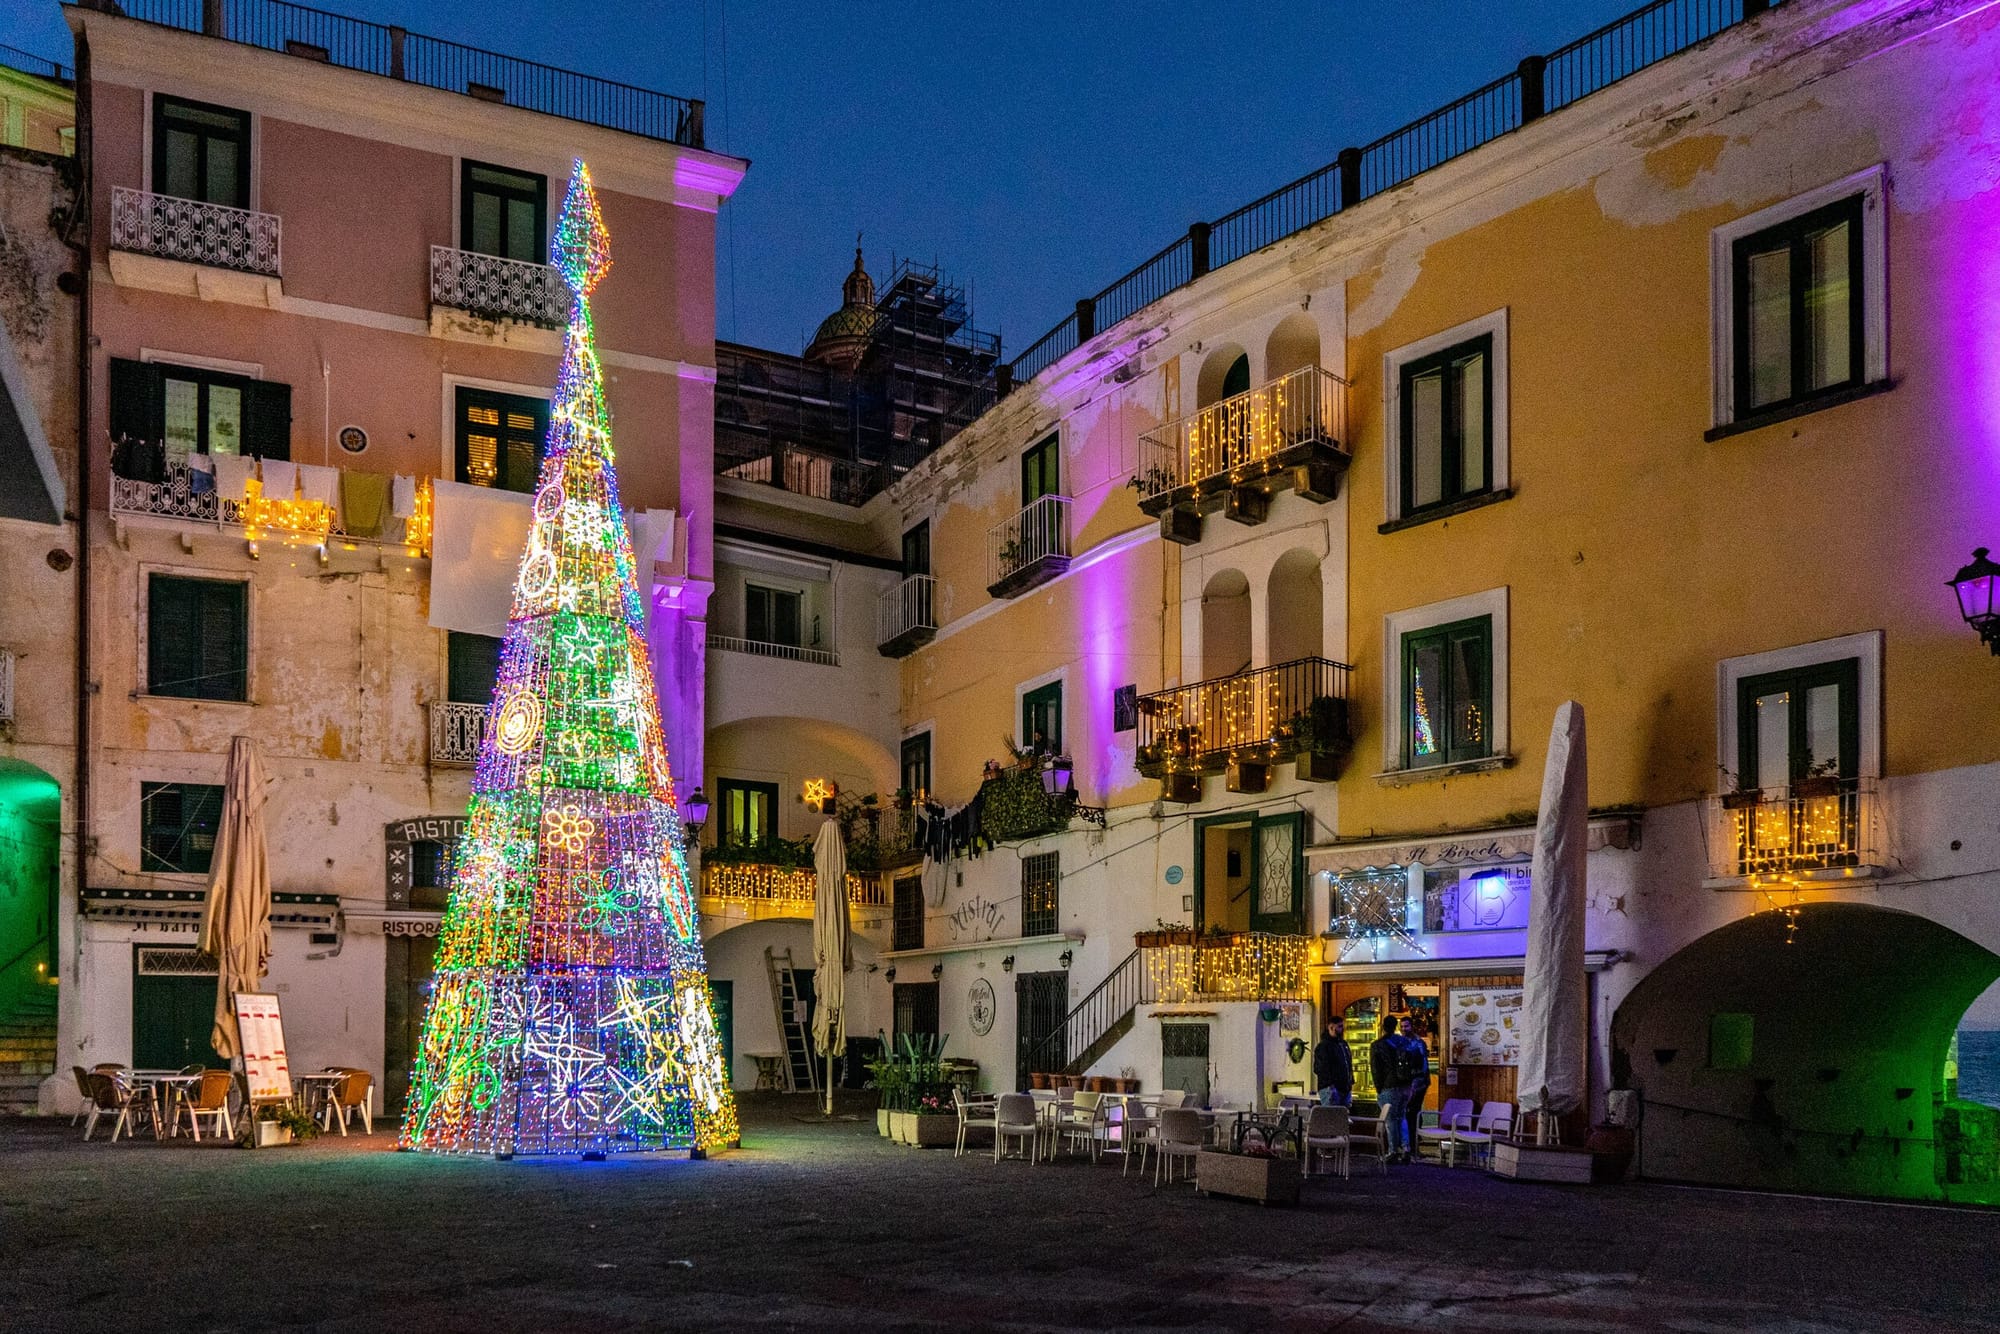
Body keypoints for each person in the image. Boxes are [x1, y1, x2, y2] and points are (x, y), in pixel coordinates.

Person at [1370, 1014, 1409, 1163]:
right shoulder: (1404, 1042)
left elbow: (1375, 1069)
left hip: (1388, 1085)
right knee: (1402, 1116)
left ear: (1382, 1026)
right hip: (1404, 1085)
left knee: (1391, 1119)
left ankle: (1393, 1150)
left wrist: (1378, 1087)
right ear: (1396, 1026)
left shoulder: (1378, 1045)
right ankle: (1406, 1149)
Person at [1399, 1014, 1432, 1159]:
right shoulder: (1402, 1042)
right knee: (1409, 1114)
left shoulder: (1417, 1043)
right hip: (1409, 1083)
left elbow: (1423, 1065)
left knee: (1413, 1114)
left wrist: (1415, 1084)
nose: (1404, 1029)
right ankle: (1410, 1146)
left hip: (1417, 1083)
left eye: (1406, 1026)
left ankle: (1413, 1146)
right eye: (1402, 1027)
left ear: (1411, 1026)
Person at [1313, 1018, 1353, 1107]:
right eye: (1340, 1026)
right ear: (1331, 1027)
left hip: (1344, 1089)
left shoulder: (1343, 1044)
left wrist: (1350, 1084)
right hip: (1331, 1089)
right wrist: (1330, 1085)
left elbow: (1348, 1064)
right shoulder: (1323, 1046)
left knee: (1343, 1116)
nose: (1342, 1029)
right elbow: (1320, 1068)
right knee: (1332, 1116)